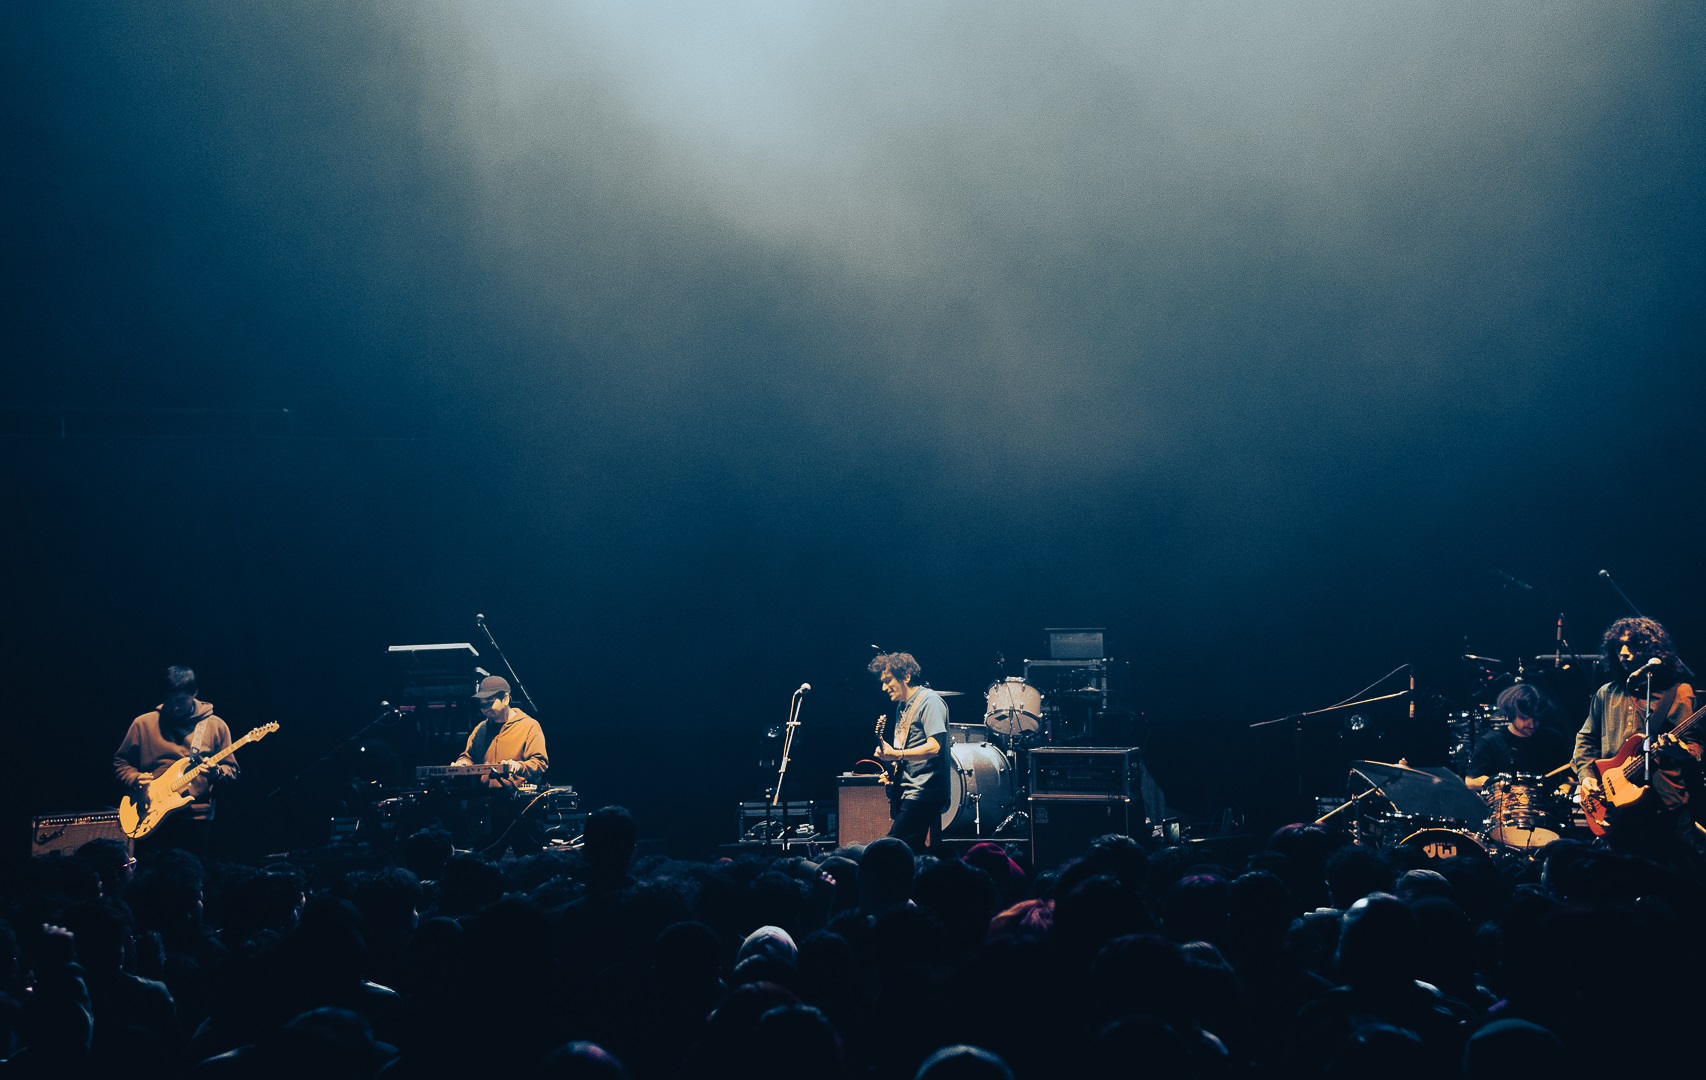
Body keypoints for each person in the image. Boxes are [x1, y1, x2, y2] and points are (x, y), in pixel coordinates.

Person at [1572, 617, 1703, 868]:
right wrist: (1587, 776)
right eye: (1618, 647)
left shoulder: (1679, 693)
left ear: (1652, 649)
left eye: (1632, 645)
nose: (1623, 653)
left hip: (1665, 808)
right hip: (1617, 806)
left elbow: (1696, 747)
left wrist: (1679, 750)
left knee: (1673, 883)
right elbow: (1586, 739)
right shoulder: (1606, 693)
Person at [112, 666, 236, 856]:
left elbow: (232, 770)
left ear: (194, 693)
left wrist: (217, 772)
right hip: (149, 815)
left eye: (180, 701)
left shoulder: (215, 726)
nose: (175, 707)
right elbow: (121, 763)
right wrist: (134, 778)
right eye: (169, 701)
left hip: (196, 819)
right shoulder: (143, 724)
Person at [869, 652, 950, 852]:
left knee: (890, 849)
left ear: (906, 676)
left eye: (888, 680)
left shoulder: (929, 701)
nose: (883, 687)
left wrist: (897, 755)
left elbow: (934, 747)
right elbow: (907, 748)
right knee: (912, 850)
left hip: (924, 790)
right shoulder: (902, 707)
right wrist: (893, 770)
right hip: (909, 788)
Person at [1465, 684, 1570, 791]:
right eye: (1524, 718)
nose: (1532, 724)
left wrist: (1562, 792)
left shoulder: (1553, 739)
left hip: (1547, 806)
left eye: (1536, 719)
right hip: (1505, 804)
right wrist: (1499, 784)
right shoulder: (1490, 742)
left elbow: (1568, 778)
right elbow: (1470, 781)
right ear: (1511, 714)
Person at [453, 675, 549, 788]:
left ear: (505, 699)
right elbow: (468, 756)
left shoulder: (529, 726)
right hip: (484, 798)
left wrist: (518, 766)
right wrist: (462, 764)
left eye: (489, 703)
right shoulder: (480, 729)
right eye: (482, 705)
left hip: (516, 800)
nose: (485, 709)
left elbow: (540, 763)